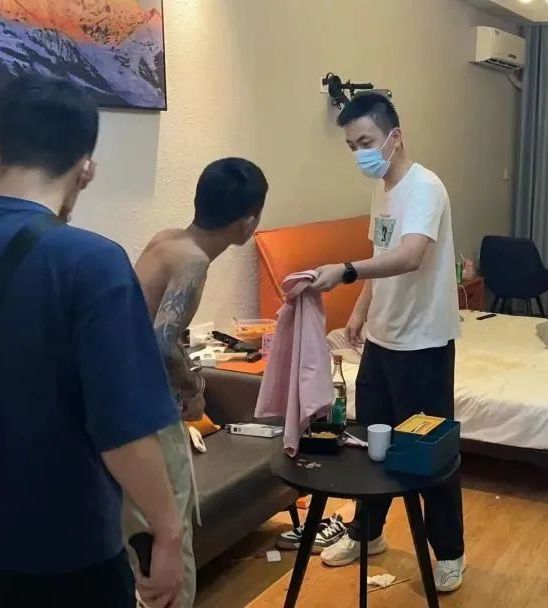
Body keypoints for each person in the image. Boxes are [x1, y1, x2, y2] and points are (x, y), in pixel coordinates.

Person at [0, 75, 186, 607]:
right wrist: (168, 532)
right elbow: (123, 433)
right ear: (86, 168)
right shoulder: (90, 262)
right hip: (60, 554)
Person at [307, 92, 466, 592]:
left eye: (366, 142)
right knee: (370, 445)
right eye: (352, 146)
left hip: (423, 343)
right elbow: (381, 254)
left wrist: (346, 271)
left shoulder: (426, 188)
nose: (360, 153)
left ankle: (449, 552)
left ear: (394, 136)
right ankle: (368, 532)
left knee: (428, 452)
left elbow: (411, 255)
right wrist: (360, 312)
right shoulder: (382, 190)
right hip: (382, 340)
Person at [131, 157, 269, 606]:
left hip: (122, 402)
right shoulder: (193, 263)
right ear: (248, 224)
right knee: (171, 535)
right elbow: (159, 342)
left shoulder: (166, 240)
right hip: (146, 412)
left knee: (140, 538)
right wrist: (193, 392)